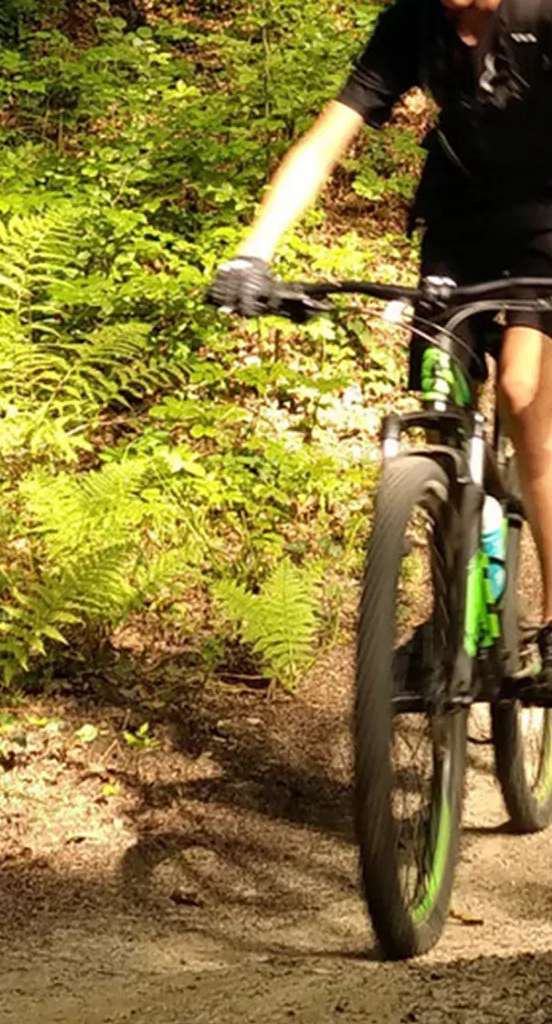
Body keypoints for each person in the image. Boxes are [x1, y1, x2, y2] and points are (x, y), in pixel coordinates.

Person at [208, 0, 552, 684]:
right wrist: (254, 251)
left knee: (523, 389)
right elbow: (327, 137)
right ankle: (453, 610)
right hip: (459, 227)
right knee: (437, 398)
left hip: (548, 223)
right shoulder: (413, 23)